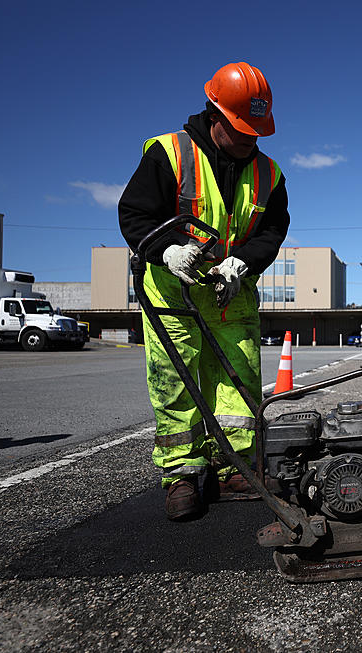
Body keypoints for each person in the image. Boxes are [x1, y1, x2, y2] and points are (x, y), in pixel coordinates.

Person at [119, 62, 290, 521]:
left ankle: (232, 466)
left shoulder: (269, 174)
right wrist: (168, 251)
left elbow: (272, 230)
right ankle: (181, 475)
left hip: (231, 293)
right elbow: (135, 218)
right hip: (174, 293)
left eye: (257, 131)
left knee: (238, 382)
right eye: (242, 129)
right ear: (215, 115)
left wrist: (244, 262)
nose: (250, 139)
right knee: (176, 384)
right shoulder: (168, 154)